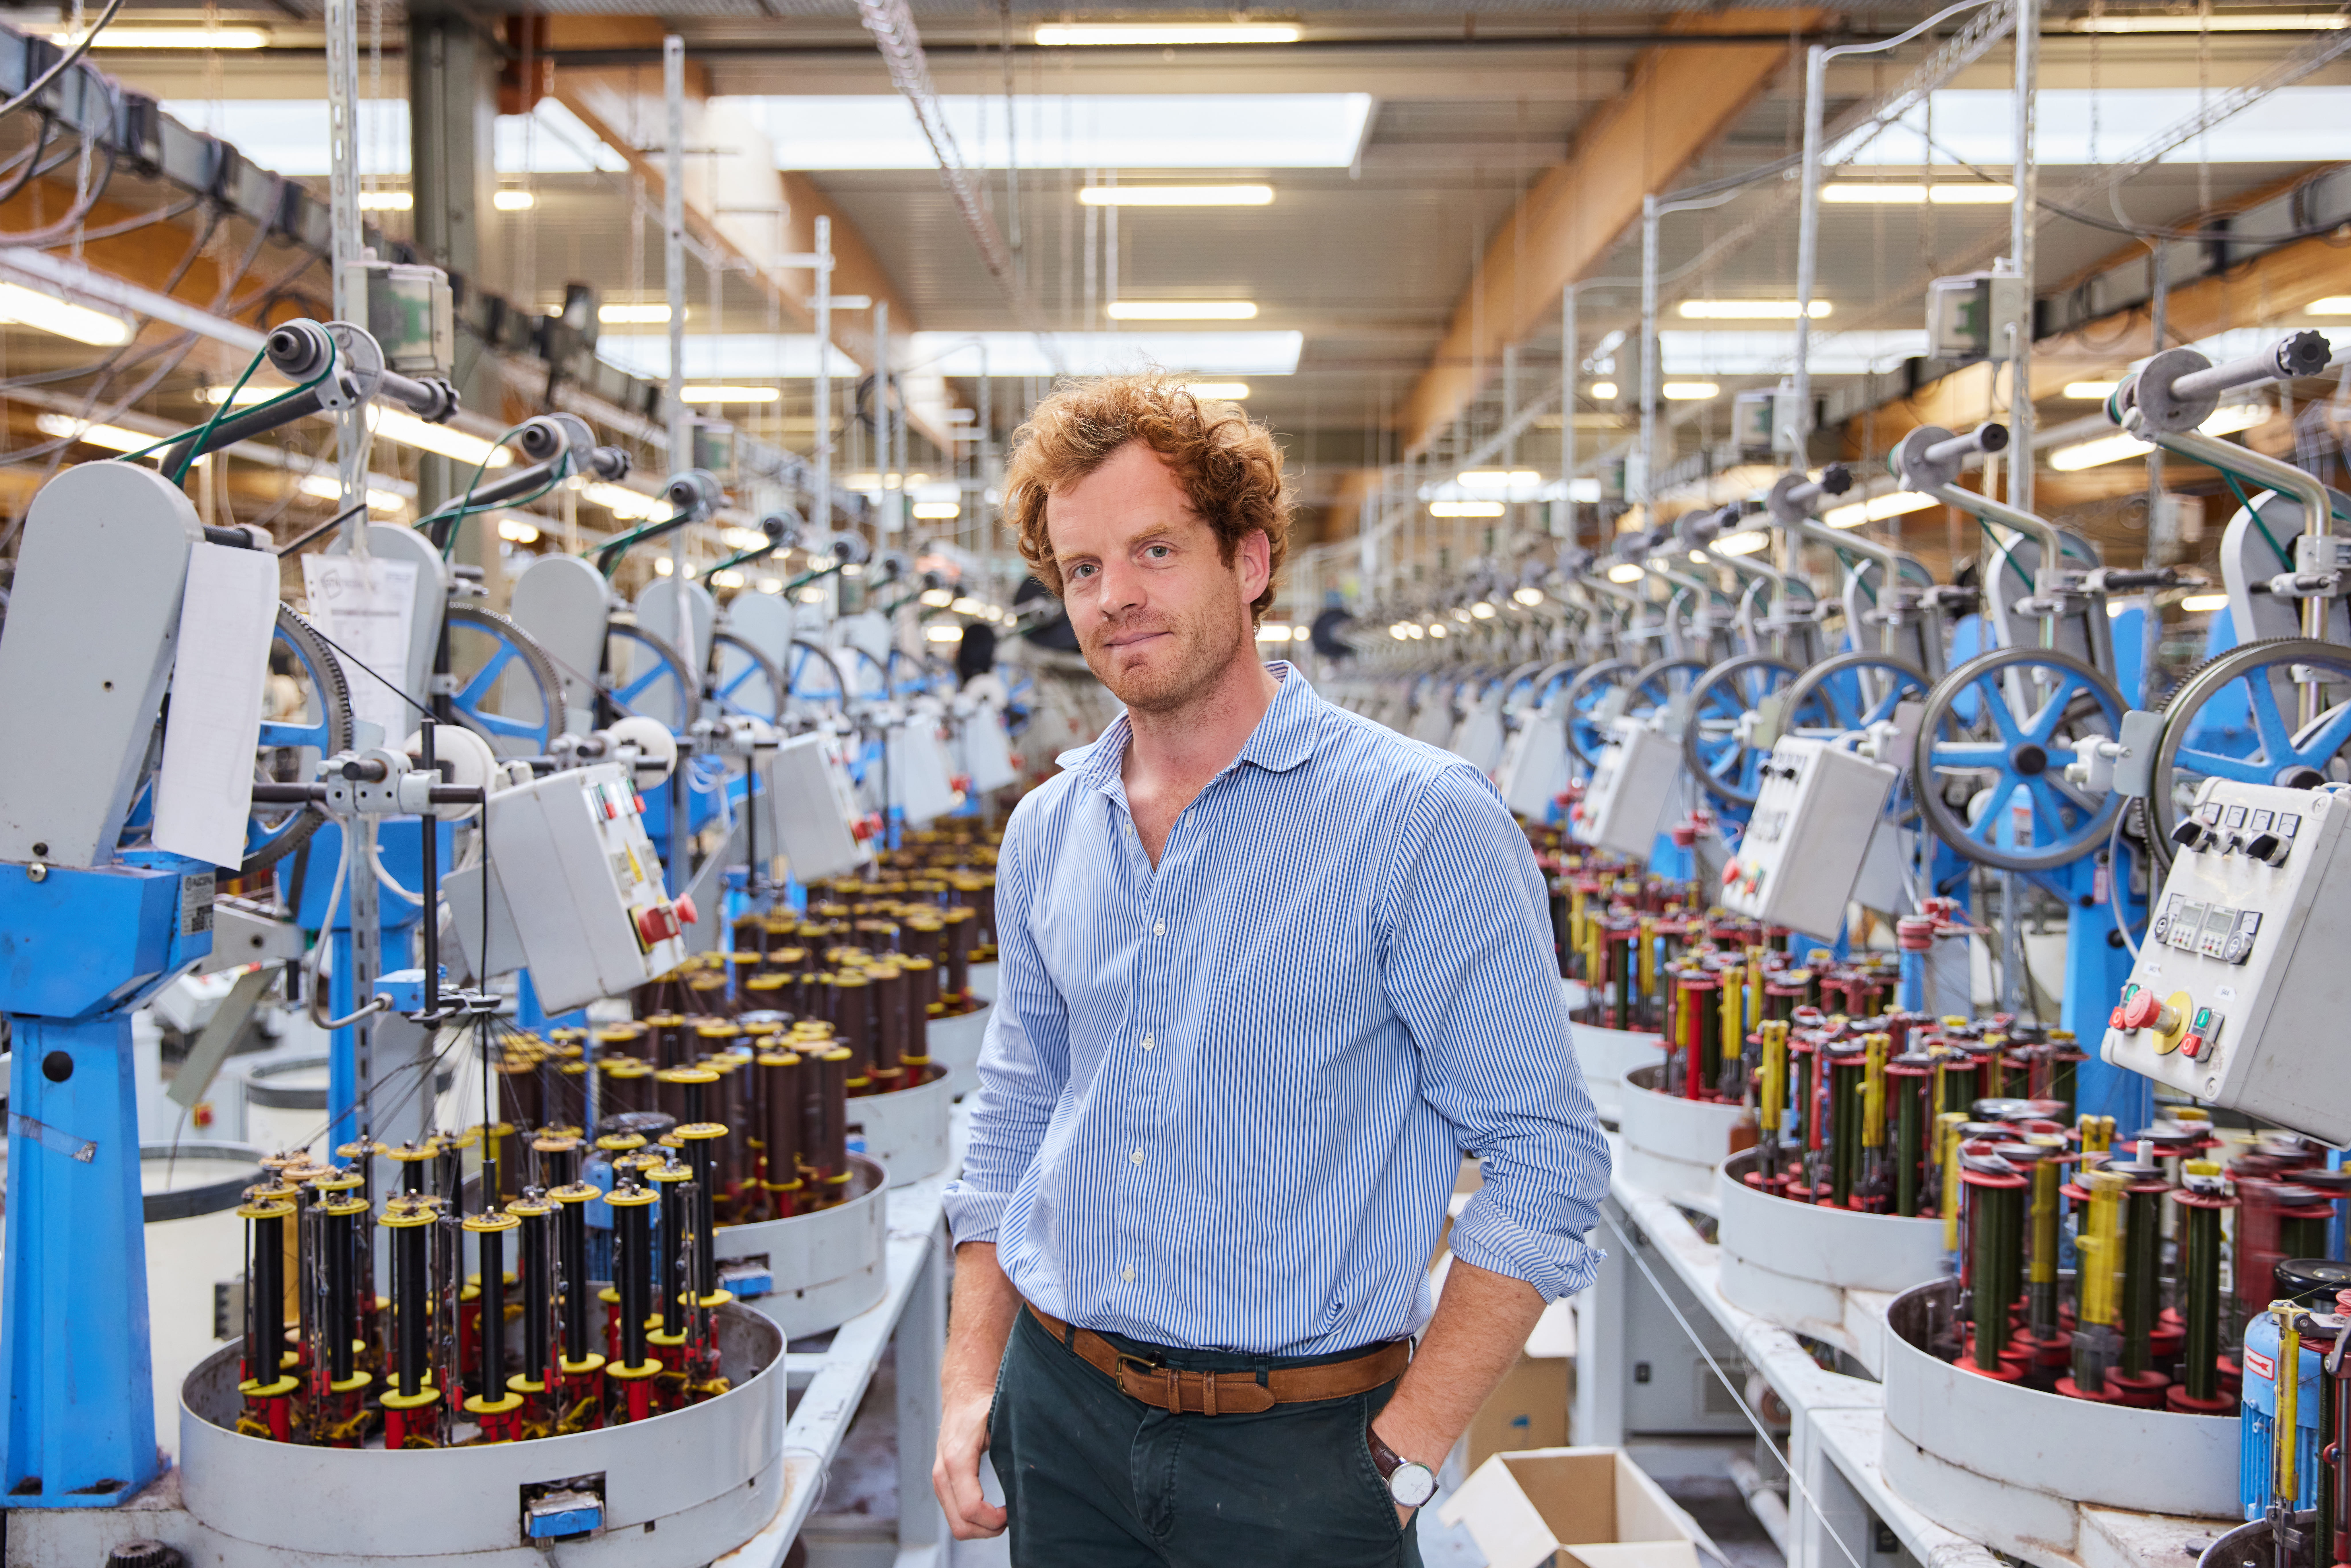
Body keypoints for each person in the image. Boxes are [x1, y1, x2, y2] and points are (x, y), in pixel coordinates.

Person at [934, 374, 1608, 1567]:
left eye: (1154, 550)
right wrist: (969, 1377)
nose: (1115, 596)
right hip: (1062, 1414)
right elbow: (1014, 1112)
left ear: (1247, 560)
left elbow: (1546, 1159)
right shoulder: (1048, 828)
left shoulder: (1418, 820)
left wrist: (1401, 1459)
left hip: (1303, 1449)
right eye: (1082, 567)